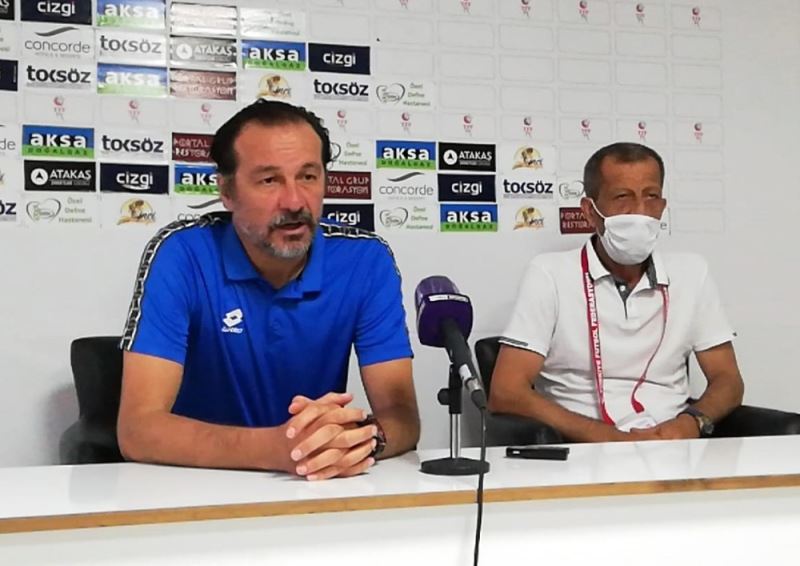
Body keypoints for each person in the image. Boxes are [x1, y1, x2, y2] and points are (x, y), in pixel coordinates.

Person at [117, 100, 420, 480]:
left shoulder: (364, 260)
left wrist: (357, 444)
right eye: (269, 180)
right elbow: (137, 430)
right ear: (227, 191)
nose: (294, 201)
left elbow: (402, 418)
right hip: (198, 484)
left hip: (314, 485)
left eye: (308, 176)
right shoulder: (182, 253)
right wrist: (279, 448)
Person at [490, 142, 744, 442]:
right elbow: (506, 392)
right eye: (623, 197)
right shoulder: (549, 273)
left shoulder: (692, 272)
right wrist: (608, 438)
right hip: (582, 447)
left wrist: (692, 422)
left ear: (662, 206)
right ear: (589, 211)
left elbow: (728, 381)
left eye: (651, 196)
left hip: (674, 444)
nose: (640, 211)